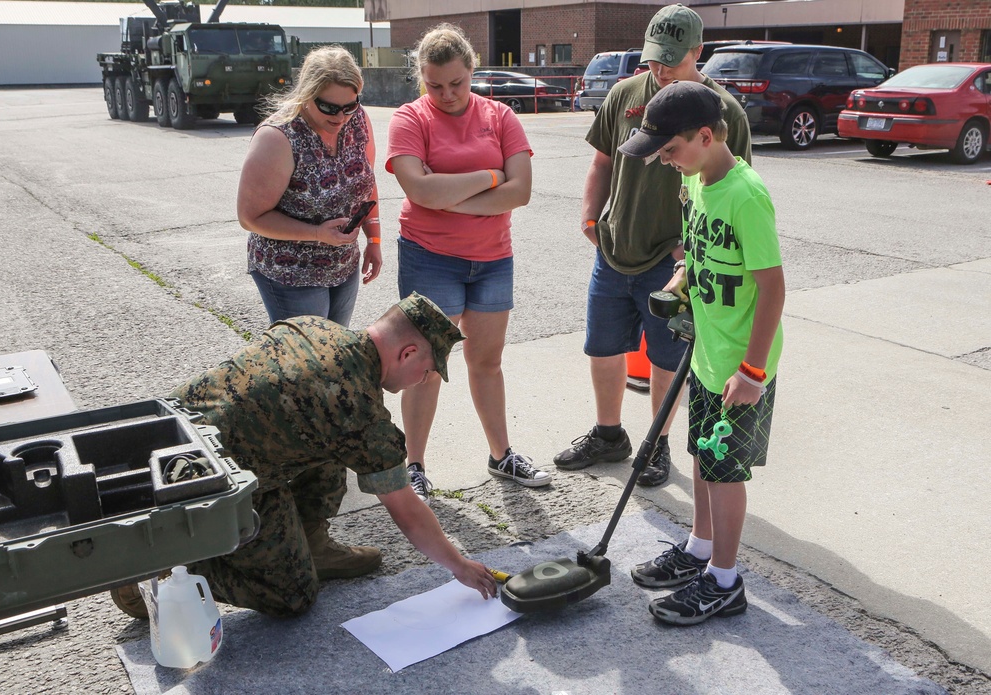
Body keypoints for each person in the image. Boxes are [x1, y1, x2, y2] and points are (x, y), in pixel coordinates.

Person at [112, 294, 499, 618]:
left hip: (164, 440)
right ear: (408, 352)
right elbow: (408, 512)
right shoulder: (360, 414)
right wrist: (460, 565)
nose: (423, 380)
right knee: (292, 596)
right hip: (200, 488)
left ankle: (310, 545)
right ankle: (161, 568)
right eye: (427, 370)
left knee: (332, 447)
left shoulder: (315, 326)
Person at [554, 4, 751, 487]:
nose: (660, 70)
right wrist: (589, 216)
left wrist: (693, 252)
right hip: (615, 246)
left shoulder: (723, 112)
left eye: (671, 60)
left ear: (697, 52)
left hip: (673, 260)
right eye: (653, 59)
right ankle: (608, 434)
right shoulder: (624, 95)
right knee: (602, 349)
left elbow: (732, 188)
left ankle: (656, 444)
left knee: (665, 360)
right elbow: (602, 163)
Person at [619, 80, 785, 624]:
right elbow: (699, 248)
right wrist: (682, 279)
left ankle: (725, 579)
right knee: (703, 457)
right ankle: (699, 547)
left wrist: (753, 370)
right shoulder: (695, 183)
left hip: (743, 364)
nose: (665, 161)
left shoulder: (746, 193)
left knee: (726, 472)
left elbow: (772, 287)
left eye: (670, 150)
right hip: (709, 354)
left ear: (707, 136)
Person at [385, 24, 551, 503]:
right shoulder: (410, 118)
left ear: (472, 69)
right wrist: (489, 177)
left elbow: (519, 191)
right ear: (421, 78)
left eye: (456, 83)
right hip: (429, 258)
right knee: (426, 367)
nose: (447, 94)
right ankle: (413, 466)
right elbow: (417, 189)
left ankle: (501, 456)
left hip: (492, 260)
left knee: (487, 361)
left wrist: (450, 195)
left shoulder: (500, 115)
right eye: (435, 85)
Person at [237, 45, 382, 328]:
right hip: (291, 272)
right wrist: (316, 233)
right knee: (308, 363)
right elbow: (250, 217)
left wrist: (374, 240)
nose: (340, 117)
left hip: (342, 264)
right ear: (306, 95)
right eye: (328, 107)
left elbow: (366, 183)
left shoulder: (358, 120)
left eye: (349, 106)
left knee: (335, 353)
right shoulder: (277, 137)